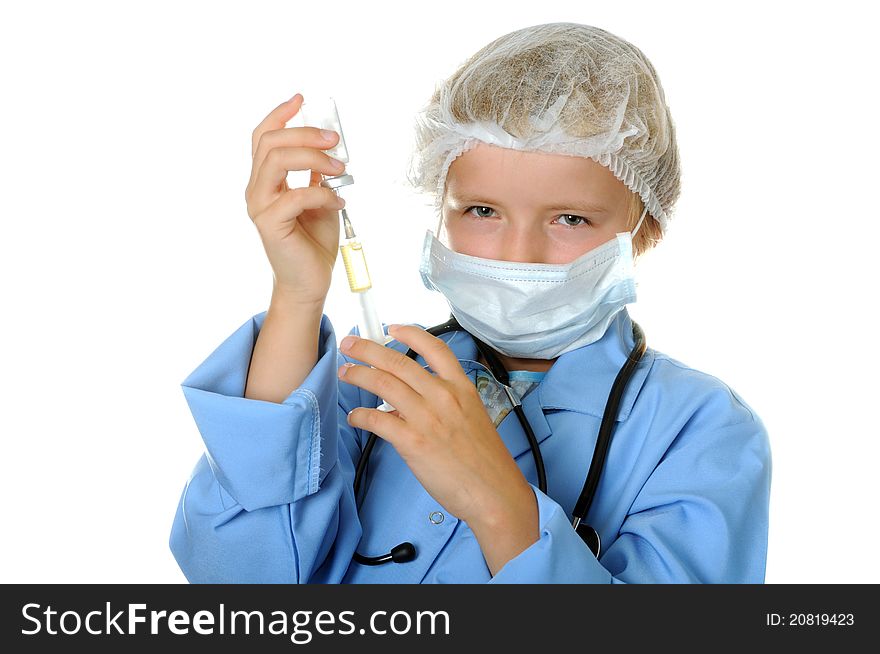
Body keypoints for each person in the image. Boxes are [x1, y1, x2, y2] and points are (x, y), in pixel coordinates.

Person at [170, 22, 771, 583]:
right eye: (482, 210)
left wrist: (495, 501)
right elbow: (237, 577)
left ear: (644, 230)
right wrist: (298, 295)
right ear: (442, 205)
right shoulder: (374, 376)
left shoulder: (701, 429)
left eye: (570, 218)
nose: (517, 253)